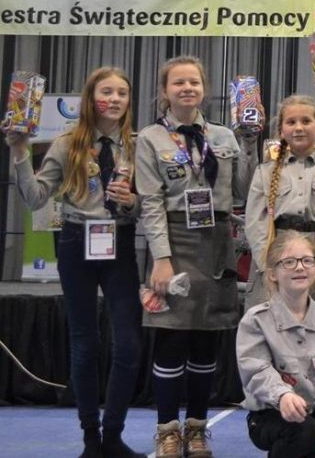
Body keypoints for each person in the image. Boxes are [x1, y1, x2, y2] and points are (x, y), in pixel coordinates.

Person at [7, 67, 143, 457]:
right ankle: (91, 438)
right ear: (90, 98)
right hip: (75, 242)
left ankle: (113, 434)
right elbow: (35, 198)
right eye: (106, 92)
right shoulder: (67, 144)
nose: (114, 99)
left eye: (122, 93)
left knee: (129, 344)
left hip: (119, 242)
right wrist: (19, 151)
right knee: (85, 343)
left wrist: (132, 202)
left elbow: (151, 206)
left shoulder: (138, 146)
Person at [135, 55, 258, 458]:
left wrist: (250, 143)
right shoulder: (150, 138)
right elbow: (151, 202)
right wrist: (161, 258)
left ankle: (197, 428)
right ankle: (167, 431)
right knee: (172, 340)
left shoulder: (223, 136)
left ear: (204, 89)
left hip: (217, 243)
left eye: (194, 82)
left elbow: (243, 191)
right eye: (178, 83)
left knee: (207, 343)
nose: (187, 88)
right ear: (165, 91)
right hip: (174, 241)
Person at [237, 231, 315, 458]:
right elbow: (256, 371)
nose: (300, 267)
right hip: (270, 414)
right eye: (289, 262)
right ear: (272, 274)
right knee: (304, 432)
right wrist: (282, 395)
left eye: (307, 260)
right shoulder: (256, 320)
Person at [244, 95, 315, 311]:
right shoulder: (264, 172)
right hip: (272, 261)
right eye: (291, 122)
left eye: (306, 121)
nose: (298, 128)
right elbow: (254, 223)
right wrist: (270, 267)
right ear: (281, 130)